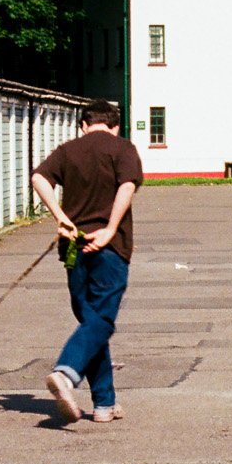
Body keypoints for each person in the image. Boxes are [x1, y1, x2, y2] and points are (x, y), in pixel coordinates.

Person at [29, 98, 144, 424]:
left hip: (72, 248)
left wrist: (61, 217)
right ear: (115, 125)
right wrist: (109, 228)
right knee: (101, 321)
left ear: (83, 124)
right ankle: (66, 373)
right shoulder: (123, 148)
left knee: (92, 322)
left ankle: (105, 404)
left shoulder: (67, 151)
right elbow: (127, 186)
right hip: (109, 248)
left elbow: (39, 178)